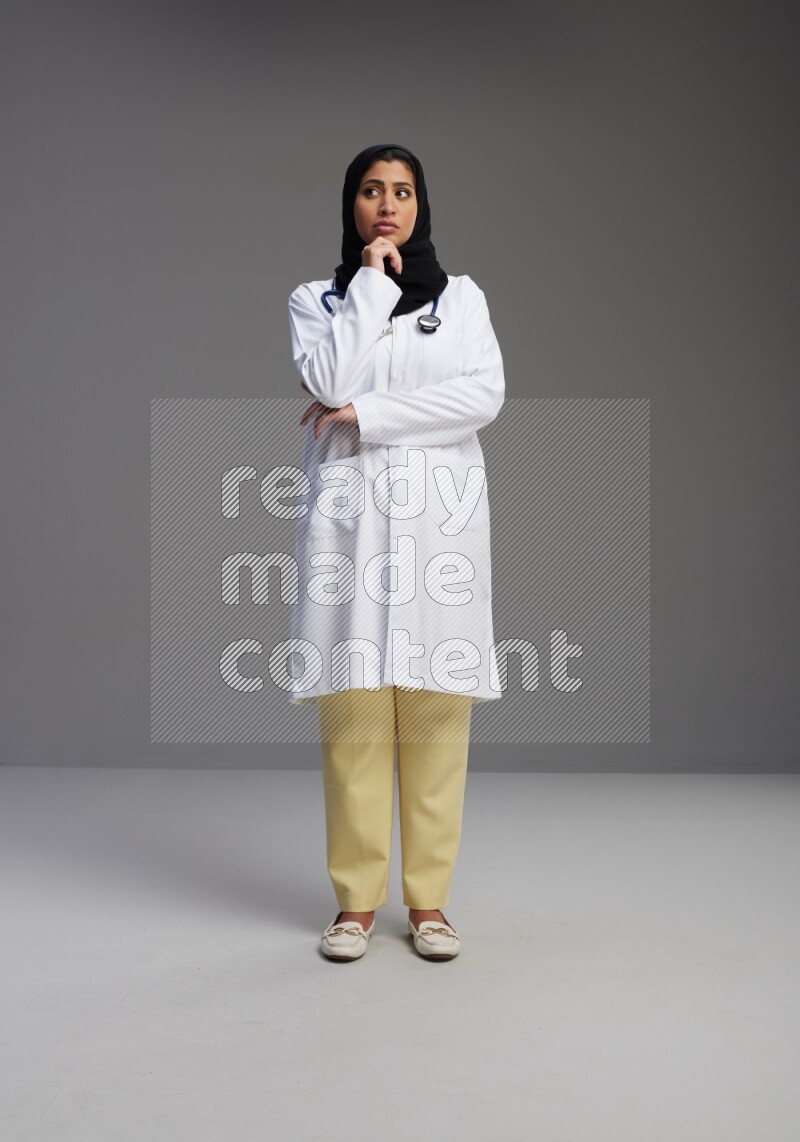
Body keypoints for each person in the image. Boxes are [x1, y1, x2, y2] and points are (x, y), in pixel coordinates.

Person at [287, 143, 505, 961]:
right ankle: (353, 904)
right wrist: (372, 286)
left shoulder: (465, 299)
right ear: (352, 204)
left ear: (422, 205)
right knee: (354, 719)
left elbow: (482, 395)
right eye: (373, 191)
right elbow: (327, 375)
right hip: (352, 527)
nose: (388, 204)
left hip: (438, 528)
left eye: (403, 191)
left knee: (436, 718)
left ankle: (429, 905)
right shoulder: (320, 300)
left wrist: (366, 416)